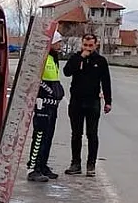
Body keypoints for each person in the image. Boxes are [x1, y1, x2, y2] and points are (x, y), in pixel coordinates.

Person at [62, 33, 112, 177]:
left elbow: (106, 82)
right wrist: (81, 58)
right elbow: (66, 72)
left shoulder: (101, 61)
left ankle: (91, 165)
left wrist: (108, 102)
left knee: (92, 134)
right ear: (81, 44)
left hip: (93, 102)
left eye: (90, 45)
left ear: (95, 45)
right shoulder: (75, 58)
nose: (88, 48)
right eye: (85, 45)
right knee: (76, 134)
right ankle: (75, 163)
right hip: (76, 101)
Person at [27, 31, 66, 182]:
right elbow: (36, 79)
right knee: (39, 135)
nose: (60, 45)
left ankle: (42, 165)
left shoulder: (53, 58)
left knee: (48, 136)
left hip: (52, 105)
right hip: (42, 104)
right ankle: (33, 168)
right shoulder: (42, 58)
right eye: (58, 42)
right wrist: (49, 92)